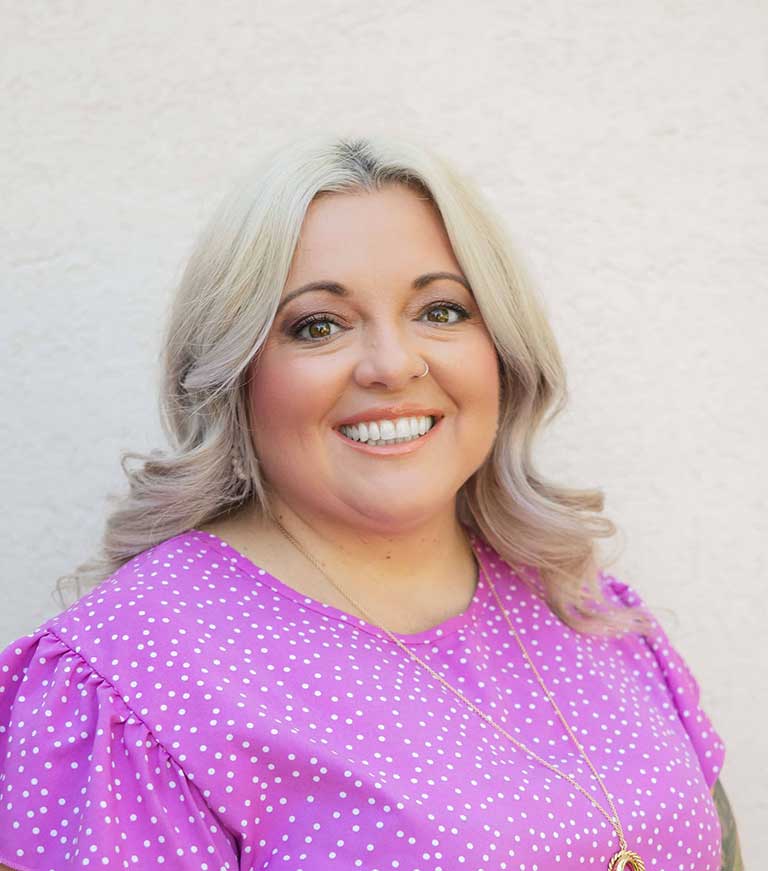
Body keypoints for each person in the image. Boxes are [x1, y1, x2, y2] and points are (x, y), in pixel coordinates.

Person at [0, 135, 742, 871]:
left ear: (502, 349)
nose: (392, 364)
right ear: (236, 371)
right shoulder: (132, 677)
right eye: (319, 325)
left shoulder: (581, 603)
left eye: (442, 311)